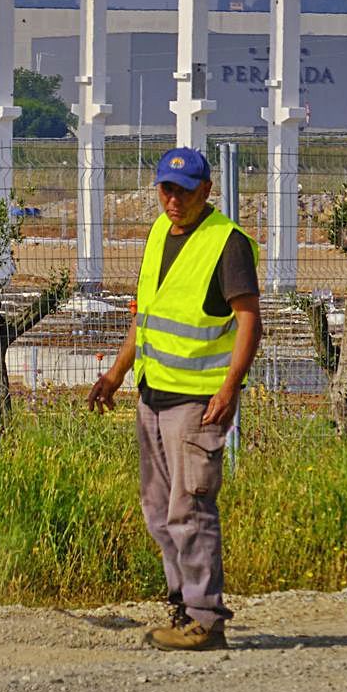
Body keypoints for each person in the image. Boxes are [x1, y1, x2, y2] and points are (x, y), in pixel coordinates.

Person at [88, 147, 262, 651]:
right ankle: (183, 604)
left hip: (197, 402)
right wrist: (116, 374)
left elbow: (249, 319)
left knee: (192, 508)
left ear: (206, 191)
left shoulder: (227, 244)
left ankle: (205, 618)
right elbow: (146, 315)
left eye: (183, 191)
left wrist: (230, 387)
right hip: (153, 394)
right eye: (166, 189)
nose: (173, 200)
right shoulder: (160, 234)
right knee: (159, 509)